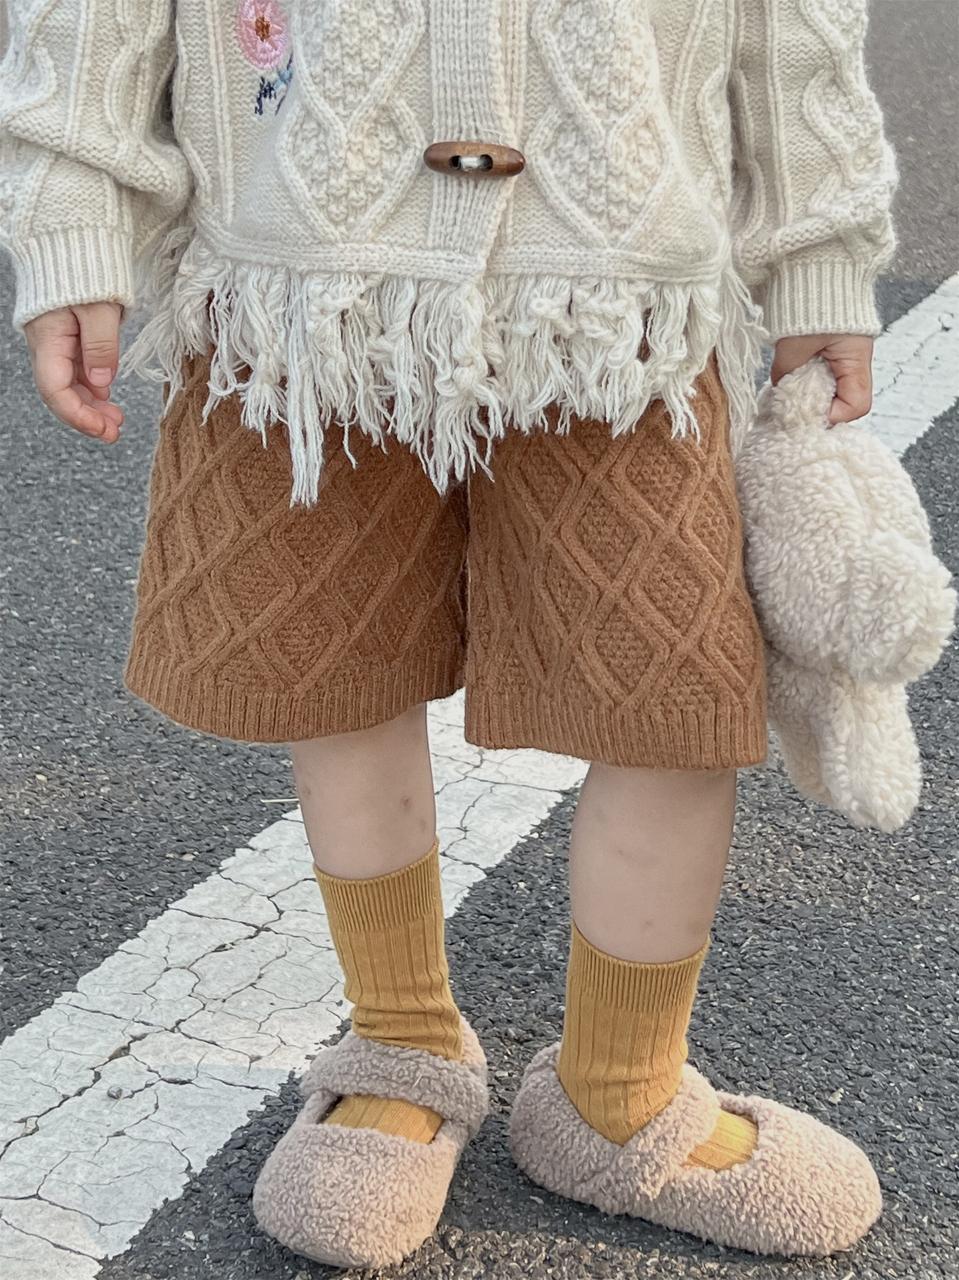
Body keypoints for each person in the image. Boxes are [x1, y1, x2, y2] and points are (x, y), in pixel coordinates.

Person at [0, 0, 898, 1269]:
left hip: (625, 300)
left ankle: (618, 1090)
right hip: (298, 294)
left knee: (671, 692)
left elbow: (795, 23)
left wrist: (816, 256)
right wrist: (73, 225)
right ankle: (402, 1039)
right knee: (337, 668)